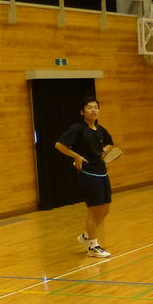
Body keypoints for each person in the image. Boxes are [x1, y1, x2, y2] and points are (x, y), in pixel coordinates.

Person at [55, 96, 115, 259]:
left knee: (105, 209)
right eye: (89, 107)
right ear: (82, 112)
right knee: (93, 210)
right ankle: (92, 247)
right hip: (89, 173)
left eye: (96, 107)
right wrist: (76, 156)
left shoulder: (100, 129)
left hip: (102, 171)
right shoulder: (78, 129)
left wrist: (105, 150)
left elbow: (110, 143)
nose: (93, 110)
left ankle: (86, 236)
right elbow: (59, 145)